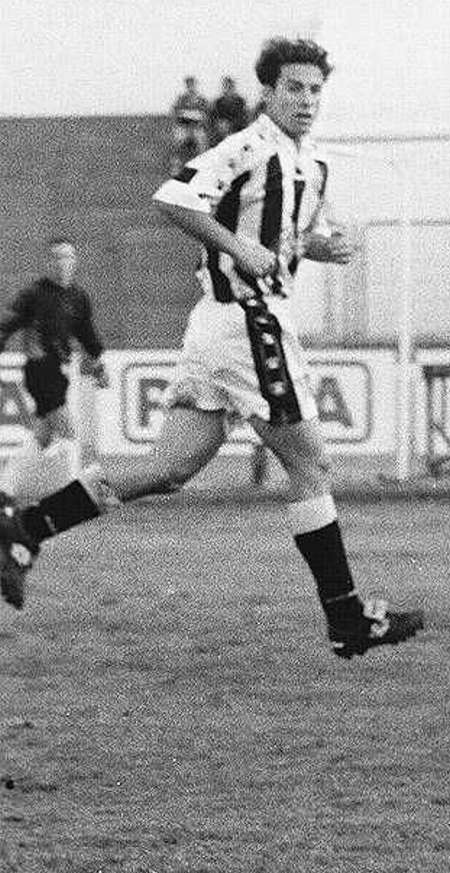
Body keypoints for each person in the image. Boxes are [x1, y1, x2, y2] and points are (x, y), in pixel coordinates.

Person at [0, 37, 422, 660]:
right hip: (249, 325)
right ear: (268, 93)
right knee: (311, 467)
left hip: (219, 331)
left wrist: (313, 247)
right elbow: (173, 197)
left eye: (314, 90)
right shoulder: (246, 147)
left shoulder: (311, 163)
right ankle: (347, 617)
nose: (306, 100)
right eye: (294, 89)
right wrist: (233, 246)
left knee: (170, 469)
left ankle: (25, 529)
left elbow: (283, 234)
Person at [0, 238, 109, 499]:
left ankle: (6, 488)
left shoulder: (78, 297)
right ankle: (73, 497)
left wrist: (99, 367)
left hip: (60, 371)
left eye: (69, 257)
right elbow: (5, 326)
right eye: (58, 257)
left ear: (75, 261)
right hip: (39, 371)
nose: (64, 263)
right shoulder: (34, 294)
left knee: (43, 435)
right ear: (48, 262)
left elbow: (87, 336)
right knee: (69, 431)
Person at [169, 75, 211, 176]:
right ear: (186, 86)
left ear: (195, 86)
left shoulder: (201, 99)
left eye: (192, 84)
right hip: (183, 127)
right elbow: (175, 112)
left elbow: (205, 114)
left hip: (197, 127)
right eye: (188, 85)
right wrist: (183, 118)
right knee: (178, 141)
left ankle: (202, 167)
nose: (191, 87)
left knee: (202, 141)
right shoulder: (181, 99)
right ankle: (176, 167)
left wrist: (198, 120)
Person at [211, 75, 250, 141]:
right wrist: (219, 124)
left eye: (230, 86)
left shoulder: (240, 101)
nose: (228, 89)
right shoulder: (218, 102)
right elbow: (213, 117)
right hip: (221, 130)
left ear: (233, 88)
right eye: (226, 86)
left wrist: (230, 125)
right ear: (223, 88)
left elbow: (244, 118)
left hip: (237, 129)